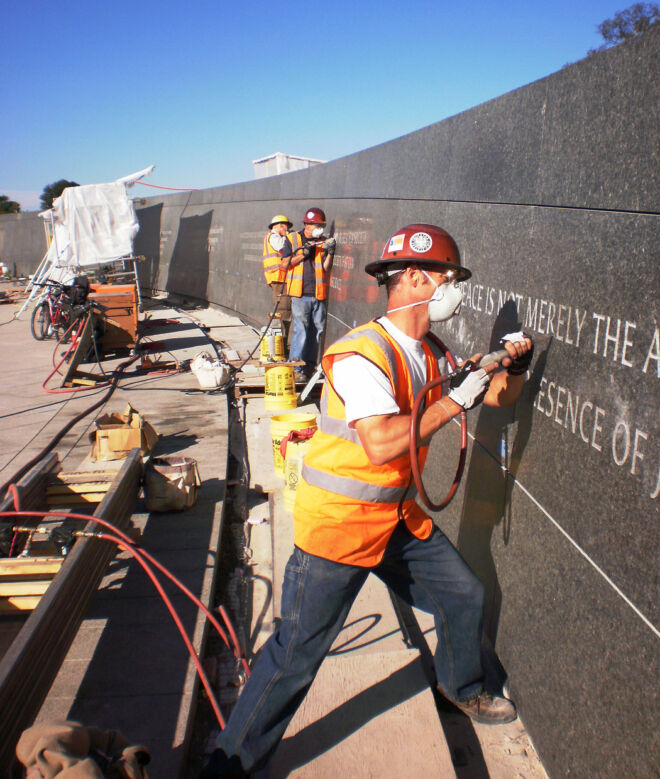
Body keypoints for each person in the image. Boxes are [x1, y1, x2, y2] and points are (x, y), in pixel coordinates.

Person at [202, 223, 534, 778]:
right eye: (448, 277)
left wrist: (511, 370)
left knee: (463, 595)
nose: (454, 289)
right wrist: (456, 399)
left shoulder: (430, 349)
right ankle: (230, 763)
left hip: (395, 520)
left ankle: (465, 688)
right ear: (412, 278)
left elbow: (494, 398)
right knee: (295, 656)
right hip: (339, 529)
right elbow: (381, 443)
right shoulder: (360, 353)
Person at [285, 207, 336, 379]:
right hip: (300, 294)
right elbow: (285, 263)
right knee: (302, 330)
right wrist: (303, 254)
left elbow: (326, 269)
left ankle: (309, 367)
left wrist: (330, 253)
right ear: (307, 224)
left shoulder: (322, 241)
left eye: (322, 225)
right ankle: (296, 368)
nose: (320, 228)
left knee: (317, 332)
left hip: (318, 293)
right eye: (318, 225)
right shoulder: (293, 239)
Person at [262, 215, 294, 340]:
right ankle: (280, 345)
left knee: (281, 312)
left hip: (281, 278)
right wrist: (290, 238)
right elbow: (283, 247)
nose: (287, 230)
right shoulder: (275, 237)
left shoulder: (275, 237)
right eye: (286, 227)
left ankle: (279, 344)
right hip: (279, 278)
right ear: (280, 226)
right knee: (283, 312)